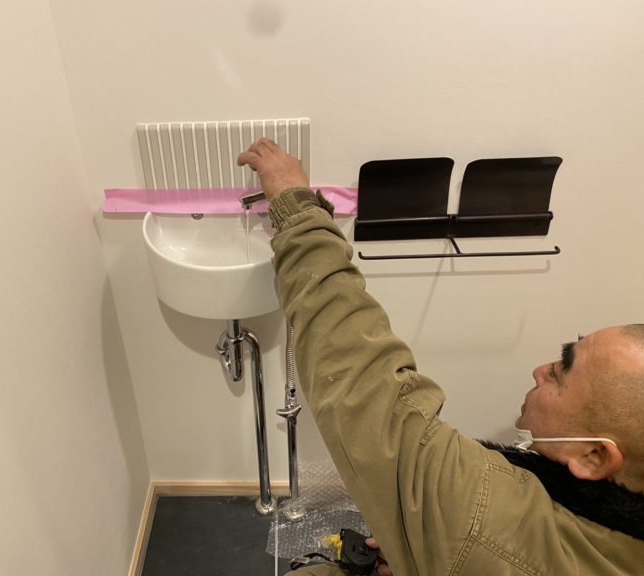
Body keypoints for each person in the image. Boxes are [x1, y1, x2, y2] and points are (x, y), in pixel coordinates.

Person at [237, 138, 644, 575]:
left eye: (562, 371)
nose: (540, 370)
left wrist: (296, 207)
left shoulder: (491, 524)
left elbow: (362, 385)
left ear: (594, 457)